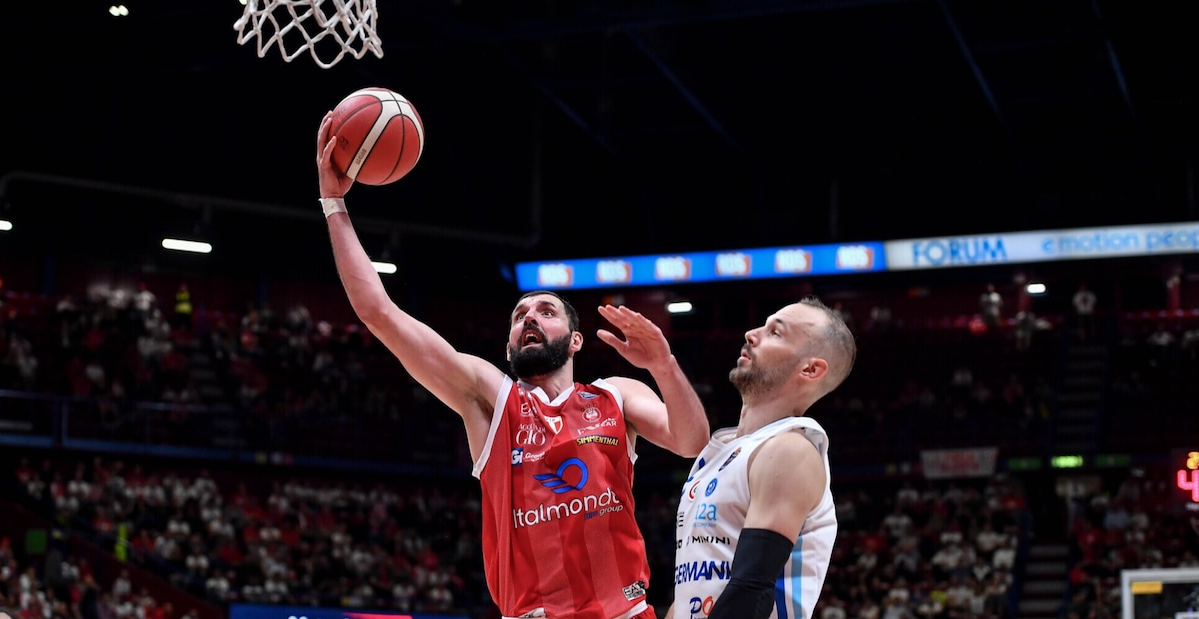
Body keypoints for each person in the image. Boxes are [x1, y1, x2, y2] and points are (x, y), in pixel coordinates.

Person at [315, 111, 711, 619]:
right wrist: (334, 204)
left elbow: (693, 442)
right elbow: (379, 313)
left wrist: (663, 364)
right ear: (507, 345)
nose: (529, 318)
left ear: (575, 341)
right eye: (520, 313)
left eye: (546, 312)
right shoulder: (491, 400)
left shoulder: (614, 395)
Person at [668, 296, 856, 619]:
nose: (751, 334)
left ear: (810, 369)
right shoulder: (717, 452)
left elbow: (751, 591)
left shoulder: (791, 449)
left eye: (775, 333)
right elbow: (689, 593)